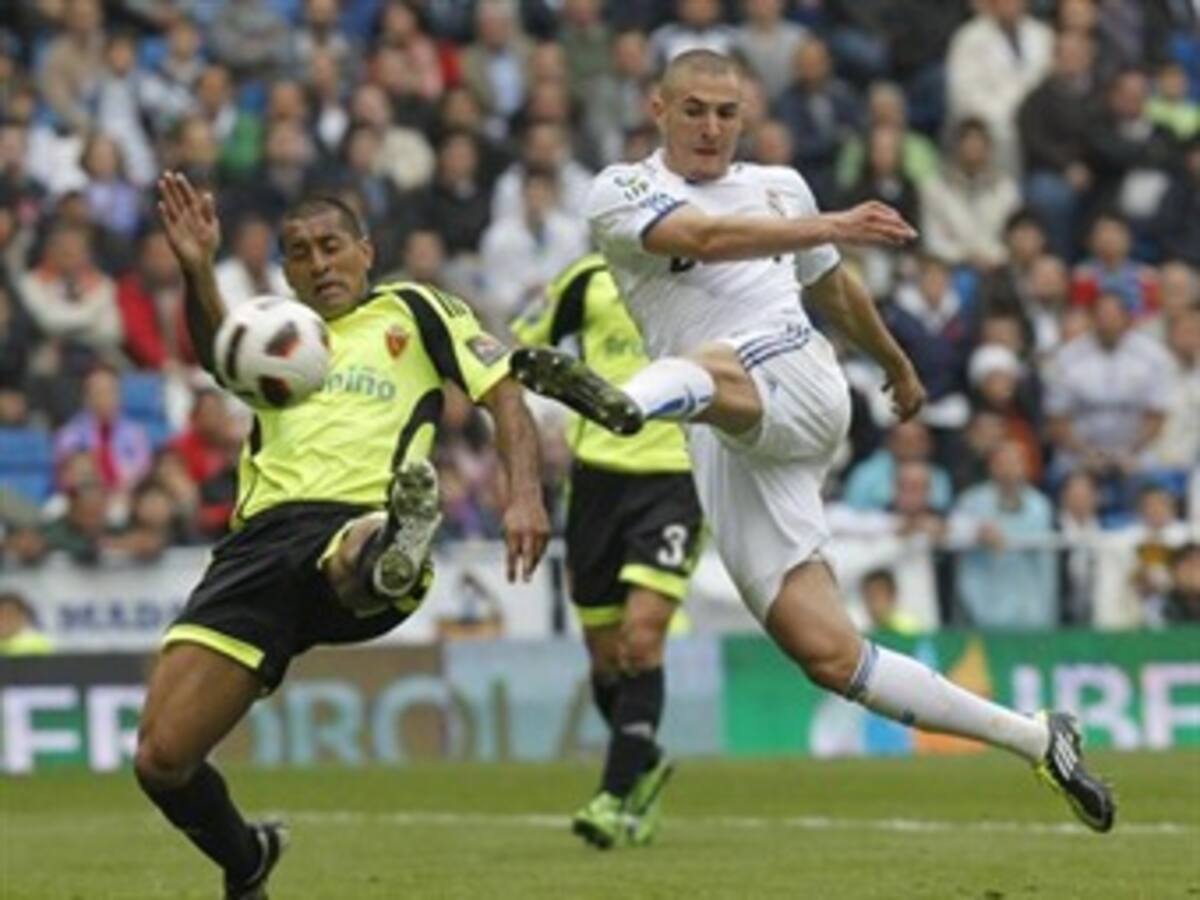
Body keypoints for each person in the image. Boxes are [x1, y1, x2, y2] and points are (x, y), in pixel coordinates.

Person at [511, 50, 1114, 834]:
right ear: (657, 110)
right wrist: (832, 223)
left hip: (794, 379)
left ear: (744, 117)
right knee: (827, 654)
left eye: (726, 113)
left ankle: (622, 404)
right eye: (693, 109)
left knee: (712, 361)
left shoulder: (781, 185)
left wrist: (895, 363)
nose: (710, 127)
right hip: (725, 435)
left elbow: (832, 288)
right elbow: (701, 233)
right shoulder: (622, 189)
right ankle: (1037, 737)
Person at [135, 172, 550, 899]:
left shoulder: (416, 309)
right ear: (287, 270)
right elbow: (215, 352)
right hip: (257, 546)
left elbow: (502, 390)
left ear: (366, 249)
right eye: (300, 254)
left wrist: (523, 493)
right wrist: (198, 269)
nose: (319, 264)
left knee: (356, 550)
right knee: (162, 760)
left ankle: (396, 546)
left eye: (331, 247)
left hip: (357, 515)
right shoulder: (277, 333)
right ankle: (246, 860)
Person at [511, 254, 703, 848]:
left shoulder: (709, 273)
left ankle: (612, 797)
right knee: (605, 657)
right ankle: (641, 765)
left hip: (677, 476)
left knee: (642, 639)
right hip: (595, 479)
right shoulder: (586, 279)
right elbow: (522, 346)